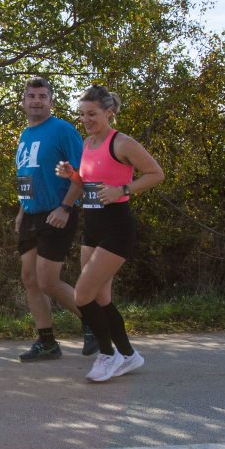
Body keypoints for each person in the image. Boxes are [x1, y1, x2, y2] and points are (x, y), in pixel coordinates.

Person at [56, 84, 164, 383]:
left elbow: (156, 173)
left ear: (109, 112)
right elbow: (88, 182)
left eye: (91, 114)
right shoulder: (88, 144)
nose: (86, 119)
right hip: (92, 227)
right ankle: (128, 355)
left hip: (117, 228)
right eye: (82, 115)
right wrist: (72, 176)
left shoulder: (123, 143)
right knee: (101, 297)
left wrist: (123, 189)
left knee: (82, 295)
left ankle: (108, 354)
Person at [13, 78, 86, 361]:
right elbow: (25, 176)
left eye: (43, 96)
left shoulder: (63, 130)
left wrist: (65, 207)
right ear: (23, 102)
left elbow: (82, 173)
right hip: (31, 214)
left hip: (58, 212)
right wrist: (21, 209)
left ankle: (94, 321)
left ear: (51, 102)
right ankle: (47, 343)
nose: (36, 100)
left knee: (48, 281)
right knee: (30, 278)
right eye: (31, 95)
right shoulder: (24, 135)